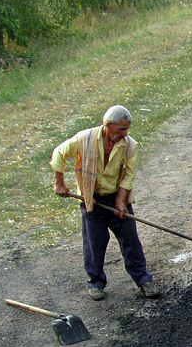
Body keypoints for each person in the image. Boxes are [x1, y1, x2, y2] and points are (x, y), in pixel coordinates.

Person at [51, 105, 159, 301]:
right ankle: (96, 283)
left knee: (131, 240)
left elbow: (128, 176)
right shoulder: (84, 138)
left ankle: (143, 280)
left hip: (117, 197)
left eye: (127, 129)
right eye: (121, 129)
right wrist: (60, 183)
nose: (125, 133)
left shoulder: (130, 145)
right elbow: (59, 153)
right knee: (95, 243)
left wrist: (120, 202)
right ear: (108, 125)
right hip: (91, 199)